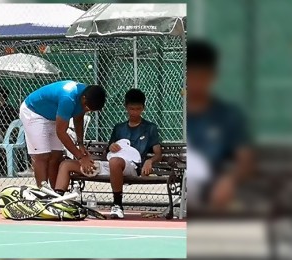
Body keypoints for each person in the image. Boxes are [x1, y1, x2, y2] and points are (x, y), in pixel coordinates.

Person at [54, 89, 162, 219]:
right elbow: (107, 154)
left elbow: (158, 153)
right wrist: (110, 147)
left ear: (143, 108)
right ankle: (56, 203)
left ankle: (117, 205)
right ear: (126, 107)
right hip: (110, 164)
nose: (134, 112)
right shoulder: (119, 128)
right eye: (131, 109)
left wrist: (150, 161)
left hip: (132, 167)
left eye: (138, 109)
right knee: (66, 164)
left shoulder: (150, 128)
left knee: (115, 161)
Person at [187, 40, 253, 211]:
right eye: (191, 76)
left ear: (213, 76)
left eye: (201, 76)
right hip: (189, 186)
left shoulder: (229, 115)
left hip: (220, 192)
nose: (196, 82)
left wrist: (230, 180)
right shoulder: (179, 116)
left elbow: (245, 159)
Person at [19, 80, 106, 188]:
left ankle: (56, 194)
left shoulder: (86, 96)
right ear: (84, 99)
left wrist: (81, 145)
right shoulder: (68, 98)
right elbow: (61, 132)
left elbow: (78, 119)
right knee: (43, 155)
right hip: (34, 113)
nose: (86, 110)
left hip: (52, 116)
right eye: (87, 108)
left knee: (56, 155)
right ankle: (42, 194)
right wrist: (80, 157)